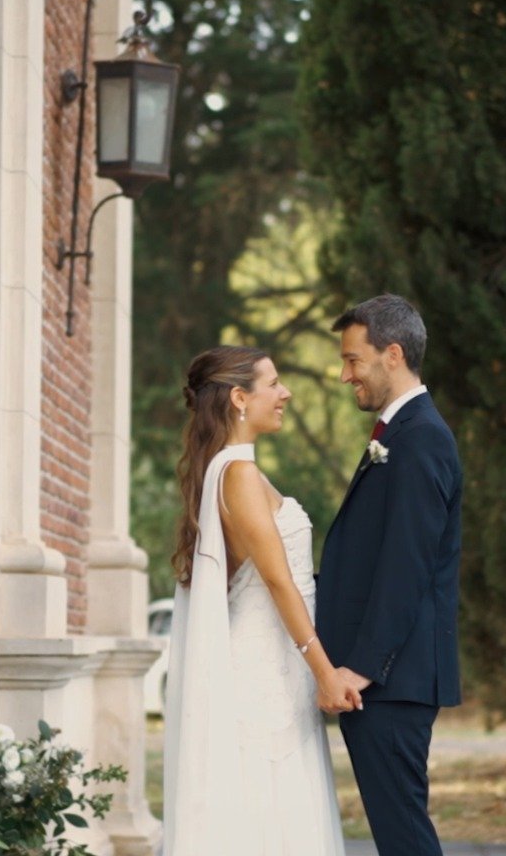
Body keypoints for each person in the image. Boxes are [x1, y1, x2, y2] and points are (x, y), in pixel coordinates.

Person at [162, 345, 353, 856]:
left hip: (272, 663)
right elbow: (278, 581)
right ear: (241, 398)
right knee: (270, 812)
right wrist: (325, 670)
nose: (285, 392)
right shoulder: (239, 475)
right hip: (265, 671)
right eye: (274, 384)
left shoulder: (235, 470)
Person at [318, 295, 463, 856]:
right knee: (397, 833)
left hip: (391, 680)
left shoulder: (420, 437)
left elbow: (408, 567)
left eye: (353, 360)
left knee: (404, 836)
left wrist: (360, 669)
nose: (343, 373)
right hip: (384, 678)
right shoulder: (398, 434)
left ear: (392, 354)